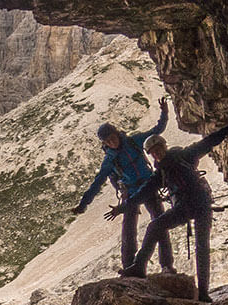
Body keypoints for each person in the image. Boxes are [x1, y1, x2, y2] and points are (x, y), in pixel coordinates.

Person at [117, 111, 228, 301]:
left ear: (164, 147)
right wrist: (123, 207)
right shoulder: (161, 173)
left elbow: (209, 142)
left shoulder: (184, 156)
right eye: (153, 153)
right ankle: (139, 266)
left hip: (200, 205)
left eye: (158, 149)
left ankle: (203, 292)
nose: (157, 154)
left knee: (201, 247)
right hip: (188, 206)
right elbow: (143, 192)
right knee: (156, 226)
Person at [72, 100, 175, 273]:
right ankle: (130, 268)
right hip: (131, 192)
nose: (112, 143)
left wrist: (164, 112)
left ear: (117, 134)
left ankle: (167, 266)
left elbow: (157, 130)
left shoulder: (134, 141)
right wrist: (83, 205)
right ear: (104, 144)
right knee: (129, 232)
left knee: (160, 224)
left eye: (112, 138)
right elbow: (97, 183)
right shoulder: (109, 160)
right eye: (108, 141)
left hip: (148, 186)